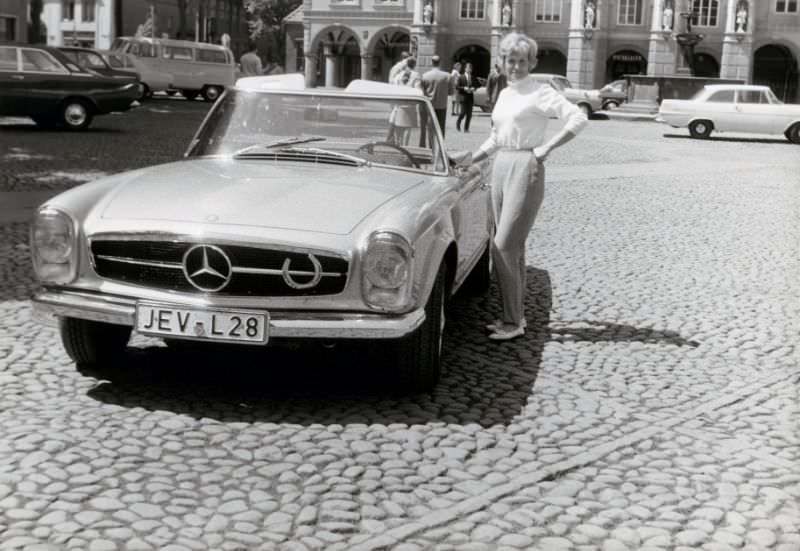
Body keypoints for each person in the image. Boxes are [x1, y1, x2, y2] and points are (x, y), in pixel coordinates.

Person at [458, 32, 587, 340]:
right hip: (500, 164)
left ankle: (513, 322)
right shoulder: (505, 93)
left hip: (526, 167)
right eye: (510, 60)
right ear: (503, 62)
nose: (515, 66)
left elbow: (578, 118)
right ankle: (514, 316)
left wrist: (547, 148)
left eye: (522, 61)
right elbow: (496, 138)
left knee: (504, 246)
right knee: (511, 248)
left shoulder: (540, 92)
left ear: (532, 62)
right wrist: (469, 160)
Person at [390, 58, 422, 145]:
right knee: (408, 128)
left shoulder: (399, 75)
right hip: (410, 105)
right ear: (414, 65)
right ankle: (405, 146)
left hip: (399, 104)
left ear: (407, 64)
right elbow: (418, 90)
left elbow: (394, 88)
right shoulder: (416, 75)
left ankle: (398, 145)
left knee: (398, 128)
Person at [422, 55, 451, 137]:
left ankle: (431, 147)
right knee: (441, 128)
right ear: (440, 63)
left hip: (429, 105)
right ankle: (439, 148)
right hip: (442, 105)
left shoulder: (425, 75)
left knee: (430, 127)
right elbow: (451, 92)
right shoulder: (447, 76)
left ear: (431, 63)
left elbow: (422, 92)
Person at [456, 62, 478, 132]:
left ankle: (466, 128)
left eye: (470, 68)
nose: (469, 69)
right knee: (463, 113)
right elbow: (457, 87)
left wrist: (473, 88)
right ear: (465, 69)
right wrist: (464, 88)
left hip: (470, 98)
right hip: (463, 97)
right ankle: (458, 122)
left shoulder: (473, 77)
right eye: (468, 68)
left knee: (469, 114)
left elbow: (476, 85)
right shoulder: (461, 77)